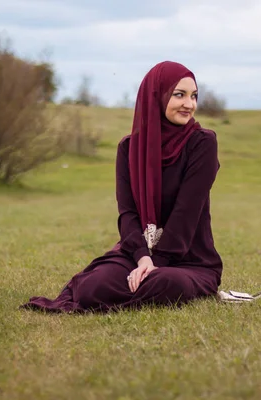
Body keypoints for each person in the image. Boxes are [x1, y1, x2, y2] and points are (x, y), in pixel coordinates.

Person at [20, 61, 223, 313]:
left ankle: (144, 284)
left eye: (194, 96)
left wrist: (156, 263)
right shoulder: (129, 149)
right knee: (91, 287)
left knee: (167, 282)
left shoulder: (202, 143)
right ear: (155, 97)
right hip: (137, 254)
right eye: (178, 94)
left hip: (190, 261)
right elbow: (128, 213)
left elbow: (186, 213)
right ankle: (135, 285)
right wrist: (143, 258)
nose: (189, 104)